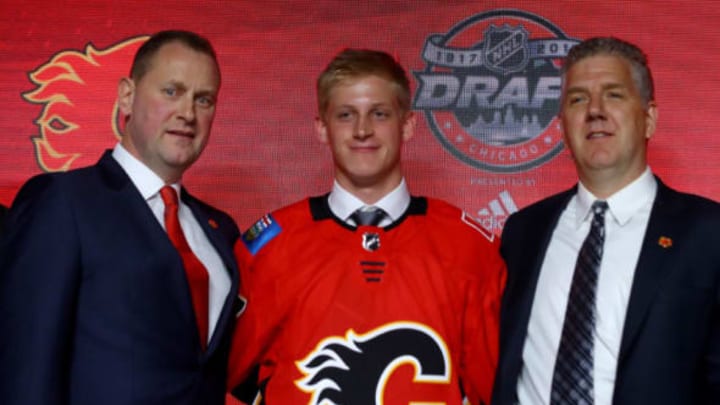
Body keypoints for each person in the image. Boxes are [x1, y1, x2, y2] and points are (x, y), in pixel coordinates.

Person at [226, 49, 506, 404]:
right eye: (346, 115)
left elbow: (496, 391)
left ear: (407, 125)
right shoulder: (268, 245)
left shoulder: (469, 246)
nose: (362, 130)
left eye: (379, 114)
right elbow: (225, 383)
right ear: (321, 128)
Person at [0, 30, 241, 404]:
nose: (188, 113)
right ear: (127, 95)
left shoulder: (220, 231)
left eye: (204, 99)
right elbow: (26, 367)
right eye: (171, 91)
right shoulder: (63, 202)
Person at [491, 37, 720, 405]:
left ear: (649, 118)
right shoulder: (523, 232)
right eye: (578, 99)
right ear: (562, 124)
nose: (595, 110)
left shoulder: (708, 234)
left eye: (613, 95)